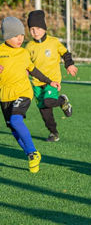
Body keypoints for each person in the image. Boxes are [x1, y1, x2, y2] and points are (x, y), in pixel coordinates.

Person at [0, 16, 61, 173]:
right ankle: (31, 155)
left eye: (21, 35)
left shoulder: (24, 53)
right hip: (4, 96)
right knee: (14, 129)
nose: (20, 38)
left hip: (23, 92)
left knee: (16, 119)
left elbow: (33, 70)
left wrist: (49, 81)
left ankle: (33, 152)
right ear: (6, 36)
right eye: (15, 36)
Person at [26, 10, 78, 142]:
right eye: (32, 29)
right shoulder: (29, 46)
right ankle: (53, 133)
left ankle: (62, 101)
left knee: (49, 101)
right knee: (45, 112)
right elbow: (25, 63)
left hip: (52, 81)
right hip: (37, 84)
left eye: (38, 28)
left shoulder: (53, 42)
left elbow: (65, 54)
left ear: (44, 28)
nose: (35, 32)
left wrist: (69, 65)